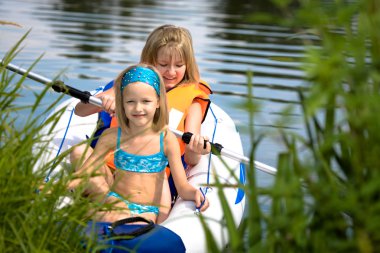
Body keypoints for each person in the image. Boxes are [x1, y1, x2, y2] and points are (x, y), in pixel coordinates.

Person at [71, 24, 212, 222]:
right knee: (78, 153)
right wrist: (104, 99)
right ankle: (108, 201)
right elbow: (79, 111)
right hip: (111, 166)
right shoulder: (129, 86)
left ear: (188, 64)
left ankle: (108, 207)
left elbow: (191, 159)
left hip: (148, 175)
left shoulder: (192, 100)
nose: (171, 72)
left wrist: (197, 147)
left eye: (179, 65)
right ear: (149, 61)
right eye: (163, 64)